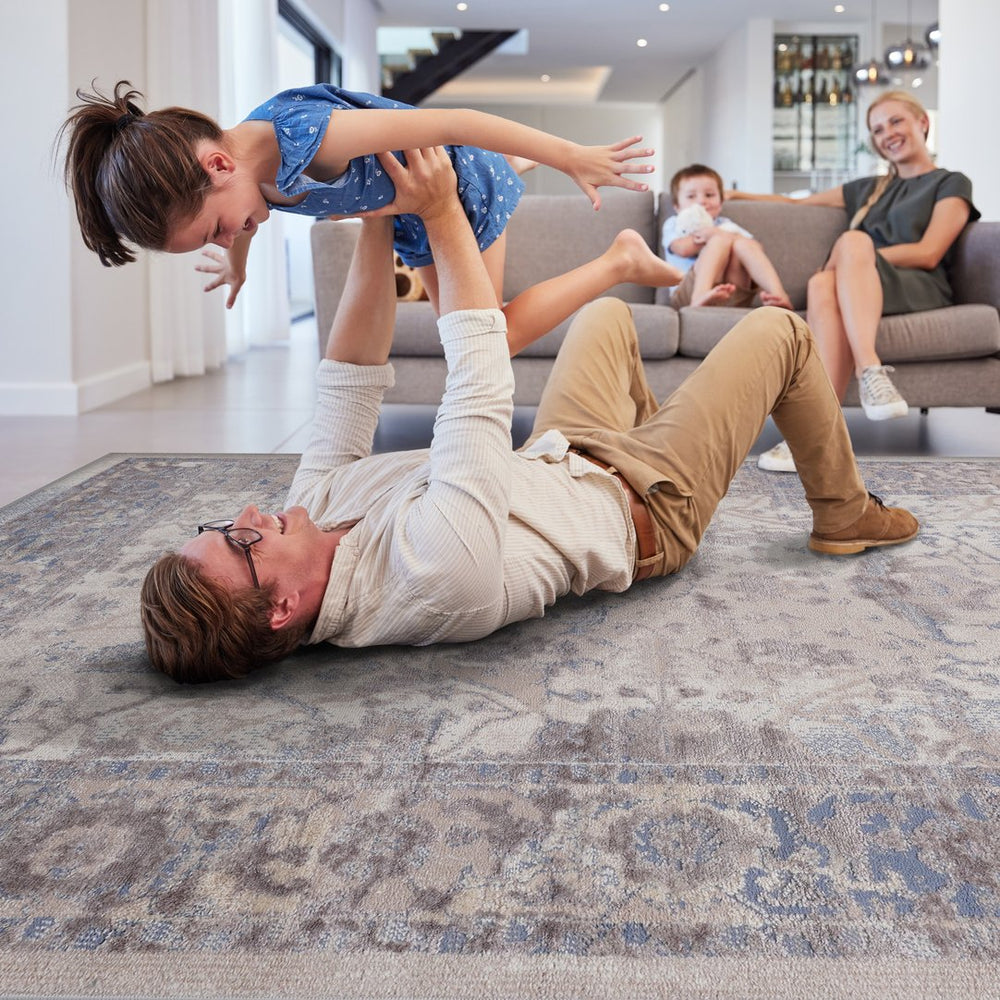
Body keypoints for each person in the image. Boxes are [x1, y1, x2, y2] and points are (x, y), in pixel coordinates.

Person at [140, 146, 919, 684]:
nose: (248, 513)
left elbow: (348, 381)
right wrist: (441, 216)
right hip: (645, 505)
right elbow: (478, 385)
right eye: (240, 541)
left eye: (221, 525)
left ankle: (667, 428)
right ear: (282, 609)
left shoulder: (306, 519)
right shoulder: (432, 575)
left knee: (606, 321)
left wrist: (379, 214)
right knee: (781, 332)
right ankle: (845, 514)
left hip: (563, 455)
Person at [59, 80, 666, 355]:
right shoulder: (246, 173)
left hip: (451, 193)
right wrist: (237, 263)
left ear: (217, 165)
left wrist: (569, 156)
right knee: (474, 330)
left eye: (218, 230)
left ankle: (621, 259)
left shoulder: (314, 137)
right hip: (408, 213)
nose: (233, 234)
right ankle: (510, 169)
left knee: (489, 341)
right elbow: (252, 211)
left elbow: (455, 123)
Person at [728, 91, 979, 473]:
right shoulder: (867, 188)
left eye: (896, 121)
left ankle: (869, 369)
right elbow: (796, 204)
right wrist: (734, 195)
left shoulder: (951, 182)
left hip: (916, 284)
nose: (887, 134)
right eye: (877, 130)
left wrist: (855, 257)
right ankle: (815, 432)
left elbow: (929, 251)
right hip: (857, 284)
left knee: (852, 243)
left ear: (922, 123)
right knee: (820, 284)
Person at [661, 163, 793, 310]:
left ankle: (778, 294)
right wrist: (711, 236)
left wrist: (722, 234)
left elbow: (755, 248)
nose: (701, 201)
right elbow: (682, 249)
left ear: (721, 203)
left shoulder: (725, 224)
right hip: (688, 293)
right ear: (677, 206)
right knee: (720, 240)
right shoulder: (674, 224)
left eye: (709, 195)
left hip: (732, 293)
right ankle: (700, 295)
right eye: (691, 196)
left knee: (741, 244)